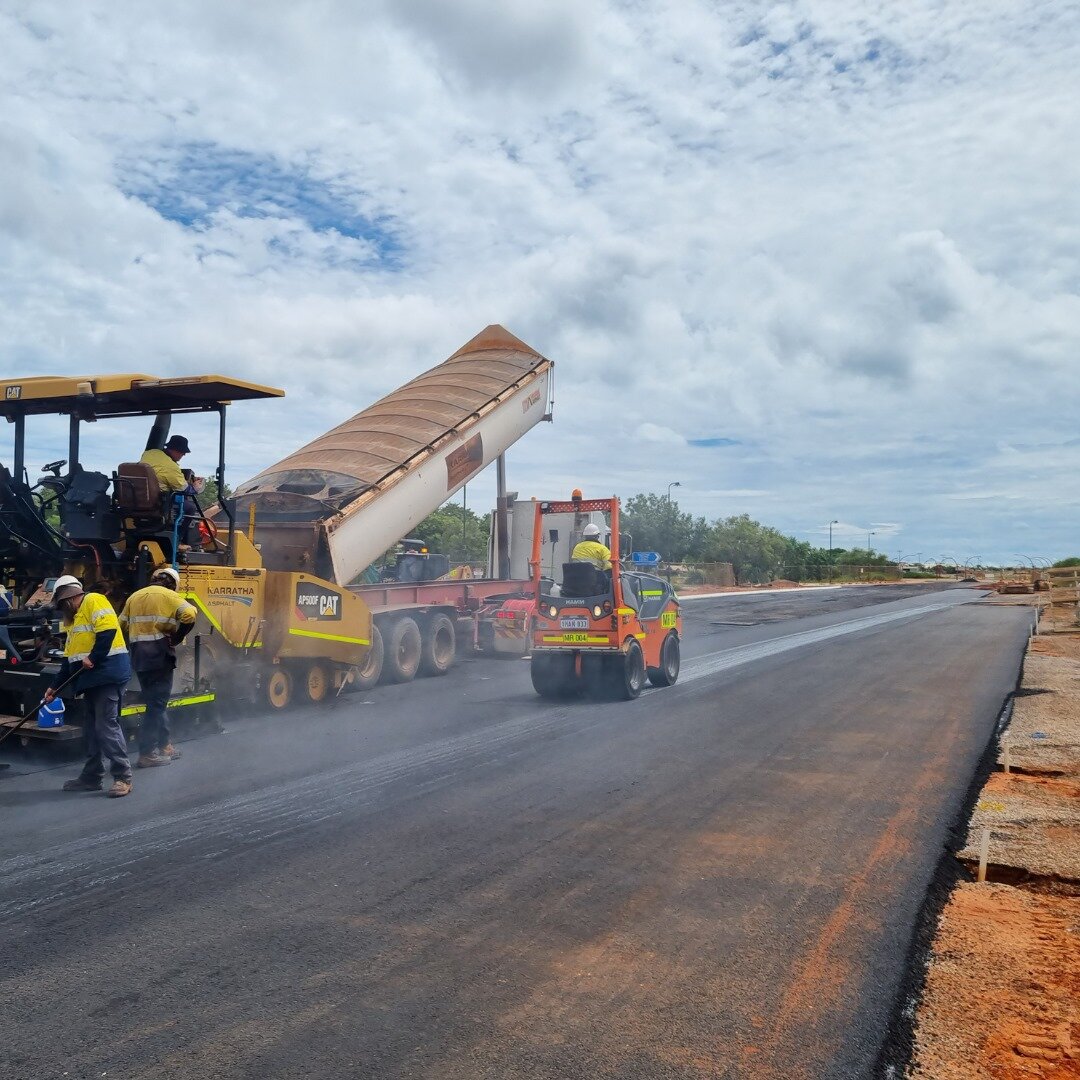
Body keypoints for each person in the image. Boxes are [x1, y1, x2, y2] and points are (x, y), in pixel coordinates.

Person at [47, 576, 134, 798]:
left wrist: (94, 657)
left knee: (106, 726)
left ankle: (122, 776)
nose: (61, 610)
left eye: (61, 605)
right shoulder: (74, 622)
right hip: (92, 679)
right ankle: (92, 776)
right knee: (91, 729)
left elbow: (107, 632)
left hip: (108, 674)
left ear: (68, 598)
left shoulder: (94, 600)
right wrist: (53, 688)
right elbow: (69, 661)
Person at [119, 567, 196, 769]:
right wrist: (177, 637)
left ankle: (164, 745)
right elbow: (189, 614)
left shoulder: (134, 597)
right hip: (160, 656)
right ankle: (147, 753)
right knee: (156, 706)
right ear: (172, 583)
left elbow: (121, 625)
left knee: (155, 702)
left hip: (139, 657)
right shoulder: (169, 596)